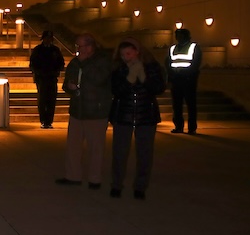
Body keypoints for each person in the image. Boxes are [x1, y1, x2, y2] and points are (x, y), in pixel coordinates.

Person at [109, 37, 166, 200]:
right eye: (123, 55)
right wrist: (130, 78)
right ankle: (116, 185)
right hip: (123, 114)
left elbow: (158, 88)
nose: (126, 57)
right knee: (120, 153)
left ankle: (140, 187)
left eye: (129, 53)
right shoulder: (118, 69)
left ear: (137, 52)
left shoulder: (152, 67)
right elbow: (116, 90)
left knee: (145, 154)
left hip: (146, 115)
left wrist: (143, 77)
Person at [57, 32, 112, 189]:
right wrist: (70, 86)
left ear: (89, 47)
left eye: (79, 46)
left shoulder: (102, 61)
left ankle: (94, 179)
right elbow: (67, 82)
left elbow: (98, 80)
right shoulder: (75, 62)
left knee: (96, 147)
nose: (77, 49)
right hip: (77, 110)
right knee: (73, 146)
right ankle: (73, 176)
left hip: (95, 111)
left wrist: (84, 64)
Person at [166, 28, 202, 135]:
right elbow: (168, 63)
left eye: (180, 35)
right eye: (177, 36)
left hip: (188, 80)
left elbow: (196, 63)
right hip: (177, 79)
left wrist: (188, 75)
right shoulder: (173, 48)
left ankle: (191, 128)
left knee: (190, 104)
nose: (178, 38)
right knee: (177, 105)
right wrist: (171, 77)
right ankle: (179, 127)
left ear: (186, 36)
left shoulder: (193, 47)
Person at [29, 30, 65, 129]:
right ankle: (43, 120)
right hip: (41, 78)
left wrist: (56, 71)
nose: (48, 40)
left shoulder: (55, 50)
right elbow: (33, 64)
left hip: (52, 77)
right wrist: (39, 73)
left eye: (50, 38)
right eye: (46, 38)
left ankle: (49, 121)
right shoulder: (38, 50)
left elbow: (61, 63)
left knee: (51, 99)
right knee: (43, 99)